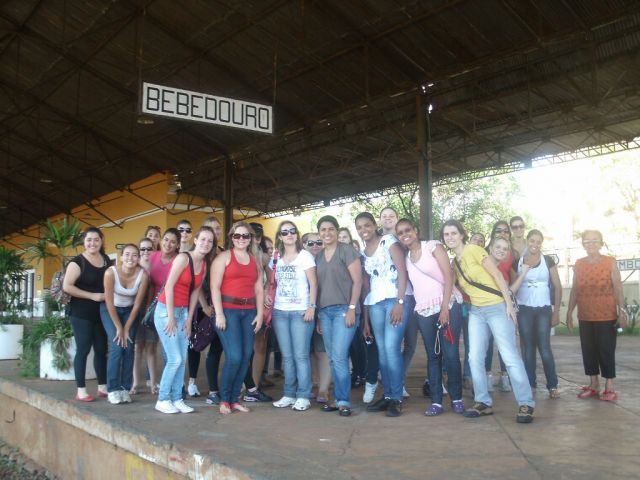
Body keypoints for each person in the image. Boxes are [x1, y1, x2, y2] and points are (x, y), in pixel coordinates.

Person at [442, 219, 535, 424]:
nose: (450, 237)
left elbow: (497, 276)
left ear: (461, 235)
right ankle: (483, 401)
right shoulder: (455, 262)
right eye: (446, 234)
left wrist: (509, 305)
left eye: (454, 233)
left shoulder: (474, 250)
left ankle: (526, 403)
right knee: (474, 357)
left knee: (509, 356)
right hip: (476, 311)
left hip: (497, 307)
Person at [397, 218, 465, 415]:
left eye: (407, 230)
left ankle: (457, 398)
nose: (405, 234)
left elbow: (449, 276)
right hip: (424, 310)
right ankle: (436, 401)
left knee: (450, 354)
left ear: (415, 230)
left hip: (447, 304)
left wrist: (444, 308)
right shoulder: (407, 258)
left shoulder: (432, 246)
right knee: (433, 355)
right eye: (400, 233)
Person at [154, 227, 214, 414]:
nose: (205, 243)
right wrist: (171, 316)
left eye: (210, 241)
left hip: (182, 312)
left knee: (182, 359)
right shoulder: (183, 258)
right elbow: (169, 286)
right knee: (175, 359)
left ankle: (177, 398)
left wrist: (188, 319)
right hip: (166, 311)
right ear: (195, 240)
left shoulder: (203, 264)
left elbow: (195, 291)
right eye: (202, 239)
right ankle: (163, 399)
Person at [356, 212, 407, 417]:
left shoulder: (388, 241)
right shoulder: (363, 252)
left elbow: (402, 272)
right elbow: (367, 287)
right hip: (375, 304)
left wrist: (400, 302)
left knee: (392, 349)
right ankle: (387, 396)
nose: (364, 230)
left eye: (367, 225)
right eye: (359, 227)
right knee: (383, 351)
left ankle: (397, 398)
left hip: (394, 299)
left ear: (374, 225)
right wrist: (366, 320)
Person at [210, 222, 264, 414]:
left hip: (249, 311)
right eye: (237, 236)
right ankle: (225, 399)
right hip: (228, 311)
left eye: (245, 236)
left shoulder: (255, 260)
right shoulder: (223, 257)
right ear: (231, 238)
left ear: (251, 238)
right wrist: (219, 314)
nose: (241, 239)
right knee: (234, 356)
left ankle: (234, 400)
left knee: (246, 356)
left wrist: (260, 313)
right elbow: (214, 287)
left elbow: (259, 289)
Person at [566, 230, 626, 401]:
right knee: (588, 351)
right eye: (587, 241)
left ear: (601, 243)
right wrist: (569, 312)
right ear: (583, 244)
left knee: (606, 350)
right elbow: (575, 289)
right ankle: (593, 384)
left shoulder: (609, 262)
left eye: (594, 240)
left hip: (606, 315)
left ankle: (609, 386)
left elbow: (618, 287)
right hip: (585, 315)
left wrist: (622, 312)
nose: (591, 244)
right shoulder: (579, 264)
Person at [315, 215, 362, 417]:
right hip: (325, 312)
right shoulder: (318, 256)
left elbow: (358, 281)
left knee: (340, 356)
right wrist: (318, 316)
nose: (327, 233)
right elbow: (319, 288)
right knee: (333, 358)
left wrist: (352, 308)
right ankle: (338, 398)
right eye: (323, 229)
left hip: (344, 309)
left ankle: (343, 401)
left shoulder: (346, 250)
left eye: (331, 229)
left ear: (336, 231)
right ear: (319, 233)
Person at [269, 221, 317, 411]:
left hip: (300, 311)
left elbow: (314, 283)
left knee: (301, 356)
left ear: (297, 234)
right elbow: (270, 282)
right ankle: (289, 394)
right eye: (285, 232)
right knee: (287, 356)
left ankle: (303, 395)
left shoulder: (305, 256)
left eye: (292, 231)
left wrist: (312, 307)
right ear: (280, 237)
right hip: (280, 311)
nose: (289, 234)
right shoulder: (276, 257)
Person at [510, 230, 562, 398]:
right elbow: (512, 288)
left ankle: (552, 385)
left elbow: (558, 287)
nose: (535, 244)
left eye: (538, 242)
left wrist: (556, 312)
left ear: (541, 243)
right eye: (532, 241)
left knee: (545, 347)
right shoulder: (518, 262)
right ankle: (530, 384)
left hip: (543, 309)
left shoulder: (548, 261)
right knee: (528, 348)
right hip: (524, 308)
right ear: (527, 241)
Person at [62, 227, 112, 401]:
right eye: (89, 239)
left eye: (96, 239)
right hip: (81, 313)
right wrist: (92, 296)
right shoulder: (77, 262)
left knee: (101, 349)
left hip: (101, 313)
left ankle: (102, 387)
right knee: (83, 349)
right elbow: (67, 286)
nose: (93, 243)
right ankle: (81, 390)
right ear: (84, 242)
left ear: (101, 241)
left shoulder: (106, 260)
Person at [132, 228, 179, 394]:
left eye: (173, 241)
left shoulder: (178, 260)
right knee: (138, 347)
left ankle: (160, 382)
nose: (168, 243)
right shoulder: (143, 262)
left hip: (164, 306)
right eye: (166, 239)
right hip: (142, 307)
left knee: (158, 347)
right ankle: (136, 382)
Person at [100, 244, 149, 404]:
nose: (130, 258)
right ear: (121, 257)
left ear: (138, 258)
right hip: (110, 310)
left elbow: (137, 304)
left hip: (129, 311)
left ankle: (125, 388)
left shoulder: (143, 275)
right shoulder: (110, 273)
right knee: (117, 346)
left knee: (128, 347)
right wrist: (119, 328)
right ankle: (113, 389)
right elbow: (109, 302)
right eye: (127, 254)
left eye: (134, 255)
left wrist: (127, 328)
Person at [484, 221, 517, 393]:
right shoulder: (485, 252)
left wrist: (509, 298)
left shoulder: (512, 254)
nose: (502, 233)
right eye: (499, 230)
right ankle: (487, 376)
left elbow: (514, 279)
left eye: (506, 231)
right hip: (487, 300)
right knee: (488, 341)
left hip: (504, 301)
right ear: (493, 233)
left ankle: (505, 377)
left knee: (504, 341)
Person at [302, 232, 332, 403]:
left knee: (322, 351)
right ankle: (315, 384)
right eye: (310, 243)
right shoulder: (299, 261)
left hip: (324, 311)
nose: (315, 245)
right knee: (308, 352)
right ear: (304, 245)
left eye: (319, 242)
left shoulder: (327, 261)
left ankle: (323, 389)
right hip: (302, 312)